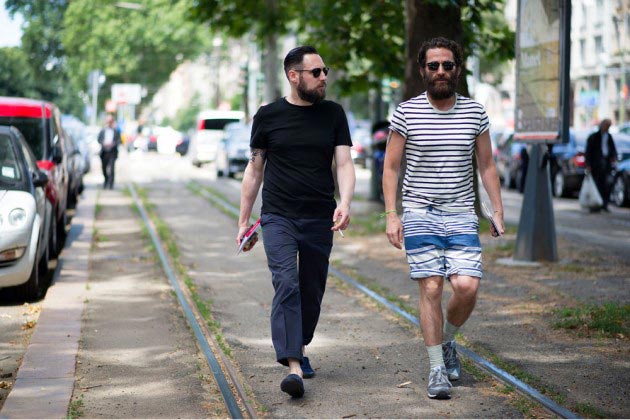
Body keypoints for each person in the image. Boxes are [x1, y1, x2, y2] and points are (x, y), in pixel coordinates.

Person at [382, 37, 504, 400]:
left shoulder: (475, 112)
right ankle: (437, 368)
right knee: (432, 287)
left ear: (458, 70)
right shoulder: (406, 113)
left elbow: (487, 165)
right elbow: (391, 168)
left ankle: (448, 340)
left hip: (462, 213)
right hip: (420, 212)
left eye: (447, 65)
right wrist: (392, 215)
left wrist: (496, 210)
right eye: (433, 66)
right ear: (423, 70)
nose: (440, 71)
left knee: (467, 287)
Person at [237, 46, 355, 399]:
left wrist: (345, 203)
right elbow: (255, 169)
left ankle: (299, 345)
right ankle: (293, 366)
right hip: (278, 216)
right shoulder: (268, 116)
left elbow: (344, 164)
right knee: (286, 283)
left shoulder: (333, 114)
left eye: (324, 71)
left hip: (320, 216)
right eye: (316, 72)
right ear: (294, 76)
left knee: (312, 290)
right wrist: (244, 221)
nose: (323, 77)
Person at [585, 119, 617, 212]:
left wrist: (613, 158)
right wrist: (588, 164)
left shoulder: (609, 137)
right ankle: (596, 205)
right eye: (606, 125)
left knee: (606, 185)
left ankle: (604, 204)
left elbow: (613, 149)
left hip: (606, 164)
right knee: (596, 184)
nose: (607, 128)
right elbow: (588, 151)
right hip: (596, 164)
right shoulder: (594, 137)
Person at [97, 115, 122, 189]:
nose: (109, 123)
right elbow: (99, 139)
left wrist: (113, 144)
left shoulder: (116, 131)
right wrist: (103, 143)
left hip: (112, 152)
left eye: (110, 121)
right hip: (104, 152)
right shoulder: (102, 130)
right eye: (108, 121)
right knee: (104, 168)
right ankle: (106, 180)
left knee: (111, 168)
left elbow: (119, 140)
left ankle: (111, 184)